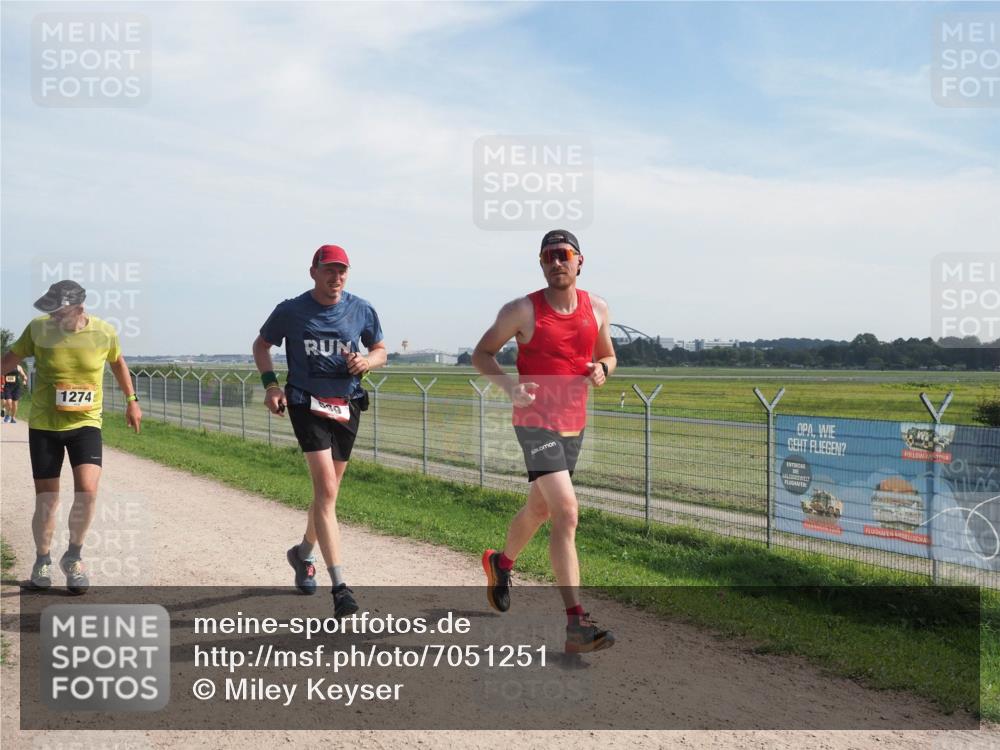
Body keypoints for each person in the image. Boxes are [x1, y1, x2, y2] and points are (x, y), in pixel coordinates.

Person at [472, 229, 617, 654]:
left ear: (579, 261)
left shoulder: (598, 308)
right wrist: (509, 388)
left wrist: (603, 370)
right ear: (541, 263)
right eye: (548, 256)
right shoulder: (522, 310)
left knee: (540, 507)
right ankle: (576, 625)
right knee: (566, 512)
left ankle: (500, 563)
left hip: (574, 422)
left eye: (563, 254)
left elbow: (608, 355)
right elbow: (482, 354)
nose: (556, 262)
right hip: (534, 420)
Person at [253, 244, 386, 618]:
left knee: (327, 496)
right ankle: (340, 587)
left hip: (347, 405)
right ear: (313, 272)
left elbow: (380, 349)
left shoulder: (361, 308)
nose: (336, 276)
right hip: (305, 402)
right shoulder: (291, 310)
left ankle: (303, 553)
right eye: (329, 269)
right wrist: (271, 385)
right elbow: (262, 344)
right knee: (326, 491)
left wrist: (367, 361)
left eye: (342, 270)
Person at [1, 280, 142, 594]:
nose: (51, 315)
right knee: (47, 502)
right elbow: (9, 360)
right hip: (45, 426)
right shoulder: (37, 329)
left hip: (86, 424)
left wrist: (132, 402)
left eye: (57, 310)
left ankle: (74, 557)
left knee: (88, 491)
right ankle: (42, 560)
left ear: (78, 307)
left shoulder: (104, 332)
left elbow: (118, 363)